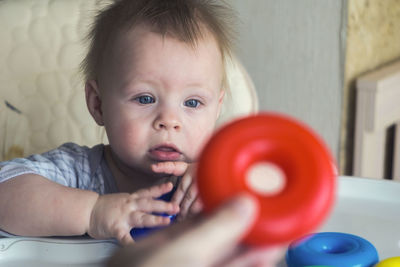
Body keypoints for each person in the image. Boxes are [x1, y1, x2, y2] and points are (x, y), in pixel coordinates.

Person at [0, 0, 233, 245]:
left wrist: (219, 181)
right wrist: (91, 212)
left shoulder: (216, 178)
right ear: (98, 104)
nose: (169, 121)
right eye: (145, 98)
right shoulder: (80, 173)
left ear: (217, 109)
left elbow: (270, 193)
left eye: (193, 103)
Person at [108, 194, 284, 267]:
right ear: (98, 113)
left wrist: (207, 173)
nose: (170, 121)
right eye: (144, 111)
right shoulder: (83, 166)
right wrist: (93, 209)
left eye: (194, 111)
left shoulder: (202, 172)